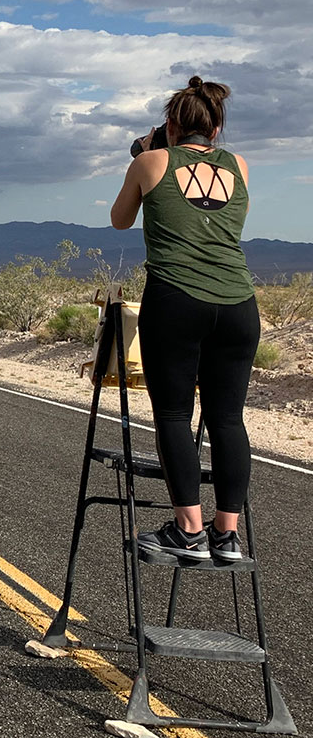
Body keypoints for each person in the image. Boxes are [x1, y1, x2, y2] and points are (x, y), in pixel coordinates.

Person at [111, 76, 258, 562]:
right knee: (228, 418)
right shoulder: (239, 166)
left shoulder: (149, 161)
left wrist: (148, 150)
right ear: (216, 128)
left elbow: (120, 219)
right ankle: (226, 534)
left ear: (170, 124)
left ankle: (188, 530)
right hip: (239, 304)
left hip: (176, 299)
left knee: (174, 413)